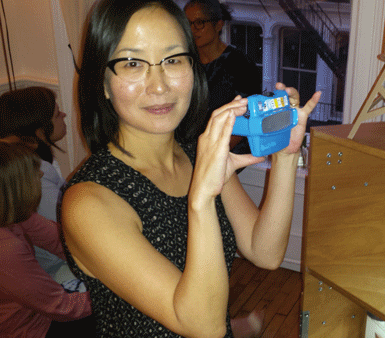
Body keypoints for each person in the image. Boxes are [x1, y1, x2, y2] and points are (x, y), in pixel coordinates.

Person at [60, 1, 320, 337]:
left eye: (172, 60)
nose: (159, 85)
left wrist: (286, 156)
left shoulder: (196, 155)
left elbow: (265, 251)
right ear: (104, 82)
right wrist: (201, 199)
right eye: (133, 63)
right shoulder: (88, 202)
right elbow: (202, 325)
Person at [0, 141, 93, 338]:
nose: (41, 174)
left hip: (41, 315)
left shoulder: (17, 216)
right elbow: (61, 307)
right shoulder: (7, 250)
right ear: (14, 187)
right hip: (30, 330)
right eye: (32, 172)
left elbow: (64, 244)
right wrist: (111, 296)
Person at [0, 87, 83, 291]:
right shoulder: (35, 172)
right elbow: (69, 229)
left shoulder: (39, 162)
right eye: (56, 114)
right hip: (53, 270)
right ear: (38, 131)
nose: (63, 115)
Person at [184, 0, 262, 152]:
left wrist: (215, 153)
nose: (193, 29)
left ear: (218, 25)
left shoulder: (239, 64)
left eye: (199, 22)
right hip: (188, 149)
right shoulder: (186, 62)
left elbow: (248, 114)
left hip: (225, 152)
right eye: (188, 23)